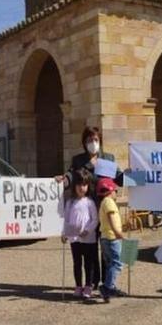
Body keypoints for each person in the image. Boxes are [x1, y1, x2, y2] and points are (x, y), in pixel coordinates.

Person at [56, 126, 122, 289]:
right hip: (88, 211)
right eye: (89, 140)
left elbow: (119, 178)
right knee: (91, 249)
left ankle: (107, 283)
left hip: (106, 210)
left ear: (100, 141)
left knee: (107, 248)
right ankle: (92, 281)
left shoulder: (108, 159)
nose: (92, 143)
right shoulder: (78, 160)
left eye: (95, 139)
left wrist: (133, 175)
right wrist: (64, 181)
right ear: (84, 143)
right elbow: (72, 175)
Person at [61, 169, 99, 300]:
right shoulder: (70, 202)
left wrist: (87, 230)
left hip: (87, 239)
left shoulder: (90, 202)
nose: (82, 188)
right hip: (74, 238)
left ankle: (88, 285)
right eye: (79, 185)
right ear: (74, 186)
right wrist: (64, 233)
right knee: (77, 263)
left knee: (88, 263)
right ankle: (78, 286)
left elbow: (95, 220)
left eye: (84, 185)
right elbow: (66, 219)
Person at [97, 177, 126, 301]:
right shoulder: (109, 201)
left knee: (110, 264)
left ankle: (109, 290)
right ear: (110, 190)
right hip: (111, 238)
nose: (116, 193)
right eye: (115, 191)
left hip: (105, 237)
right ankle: (107, 287)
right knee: (117, 262)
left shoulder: (104, 202)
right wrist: (117, 232)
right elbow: (110, 217)